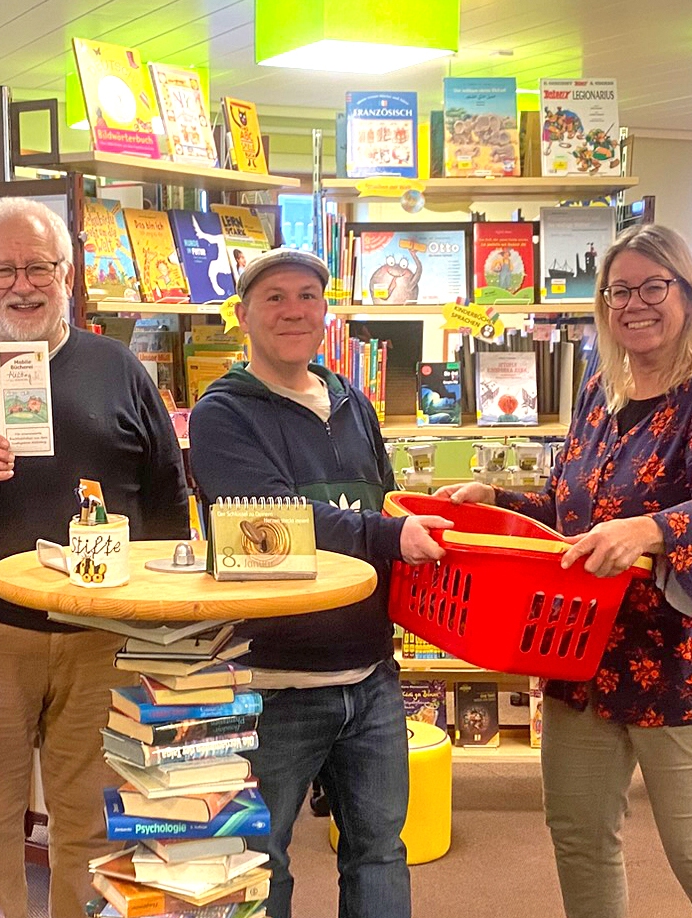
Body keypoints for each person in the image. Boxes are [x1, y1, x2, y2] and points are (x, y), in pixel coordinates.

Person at [435, 223, 692, 918]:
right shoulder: (601, 389)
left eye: (653, 287)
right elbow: (571, 508)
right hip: (581, 646)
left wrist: (647, 530)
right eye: (619, 291)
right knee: (580, 837)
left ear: (687, 294)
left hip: (686, 654)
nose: (634, 304)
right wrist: (495, 499)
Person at [0, 196, 188, 918]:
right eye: (3, 270)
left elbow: (167, 496)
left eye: (39, 268)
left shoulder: (120, 369)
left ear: (68, 275)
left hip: (105, 633)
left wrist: (162, 624)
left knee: (98, 820)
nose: (22, 285)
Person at [187, 249, 452, 918]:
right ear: (242, 315)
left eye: (307, 296)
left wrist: (428, 517)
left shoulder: (352, 402)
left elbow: (382, 503)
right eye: (274, 298)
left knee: (379, 851)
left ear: (325, 312)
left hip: (370, 675)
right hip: (270, 682)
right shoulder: (222, 414)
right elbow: (270, 522)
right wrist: (389, 535)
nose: (293, 311)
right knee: (259, 859)